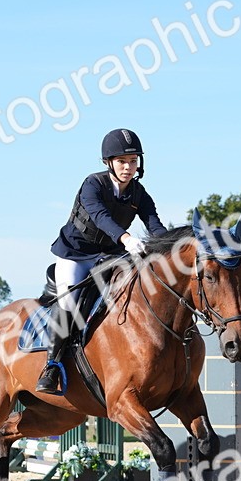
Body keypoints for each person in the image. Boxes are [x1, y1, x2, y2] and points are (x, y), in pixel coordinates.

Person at [37, 128, 167, 394]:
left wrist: (169, 249)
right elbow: (100, 218)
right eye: (122, 162)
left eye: (133, 162)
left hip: (109, 256)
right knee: (69, 302)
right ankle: (51, 366)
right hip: (75, 255)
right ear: (109, 163)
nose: (128, 168)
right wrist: (127, 238)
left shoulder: (138, 193)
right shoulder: (92, 184)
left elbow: (155, 223)